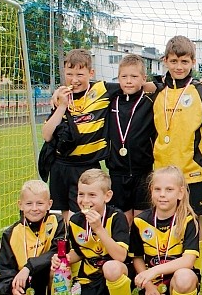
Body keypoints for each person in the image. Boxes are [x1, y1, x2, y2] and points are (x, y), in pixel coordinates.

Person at [42, 48, 155, 223]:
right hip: (61, 165)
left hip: (88, 165)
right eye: (69, 74)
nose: (74, 79)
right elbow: (47, 135)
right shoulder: (62, 98)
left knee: (83, 215)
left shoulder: (102, 90)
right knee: (63, 219)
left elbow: (134, 84)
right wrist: (62, 105)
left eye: (80, 74)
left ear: (91, 73)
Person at [153, 35, 202, 270]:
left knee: (195, 219)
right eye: (173, 61)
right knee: (166, 218)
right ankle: (167, 266)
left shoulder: (201, 91)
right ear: (165, 61)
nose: (179, 67)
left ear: (193, 62)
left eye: (184, 62)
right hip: (163, 170)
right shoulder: (156, 90)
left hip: (194, 169)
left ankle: (195, 271)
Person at [53, 169, 132, 295]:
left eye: (92, 195)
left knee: (111, 267)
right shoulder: (75, 221)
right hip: (91, 280)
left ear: (107, 196)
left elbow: (120, 256)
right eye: (81, 194)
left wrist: (99, 229)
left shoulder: (117, 217)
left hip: (116, 272)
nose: (85, 200)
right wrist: (63, 259)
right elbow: (79, 252)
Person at [129, 166, 200, 295]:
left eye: (169, 190)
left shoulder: (188, 221)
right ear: (151, 191)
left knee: (184, 276)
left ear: (180, 193)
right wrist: (148, 285)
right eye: (157, 189)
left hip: (178, 284)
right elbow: (137, 257)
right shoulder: (140, 221)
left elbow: (188, 261)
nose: (162, 194)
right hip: (154, 287)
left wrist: (153, 271)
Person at [0, 180, 67, 295]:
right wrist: (12, 287)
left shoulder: (57, 222)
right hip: (25, 282)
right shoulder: (10, 234)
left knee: (61, 266)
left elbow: (59, 250)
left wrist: (29, 267)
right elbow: (3, 267)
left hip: (48, 276)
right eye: (29, 203)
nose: (34, 208)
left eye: (40, 203)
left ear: (49, 204)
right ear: (20, 205)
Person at [106, 54, 157, 225]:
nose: (128, 81)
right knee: (122, 219)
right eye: (124, 76)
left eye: (134, 76)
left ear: (144, 78)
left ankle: (140, 245)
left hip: (143, 171)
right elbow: (89, 87)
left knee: (141, 220)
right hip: (117, 172)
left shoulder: (150, 101)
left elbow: (169, 84)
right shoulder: (110, 100)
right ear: (118, 78)